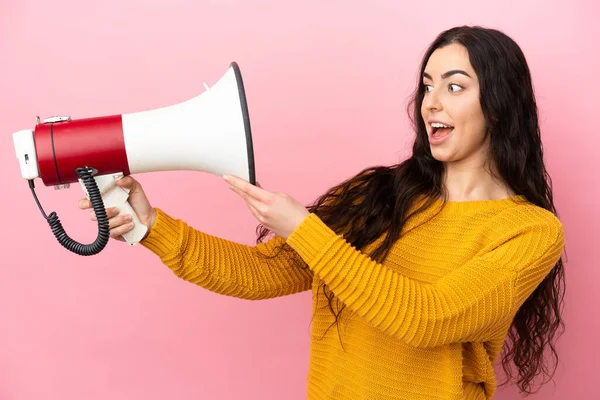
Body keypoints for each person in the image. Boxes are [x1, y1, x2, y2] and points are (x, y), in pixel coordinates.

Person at [79, 25, 566, 400]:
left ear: (499, 107)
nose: (430, 103)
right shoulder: (378, 196)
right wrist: (151, 224)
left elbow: (429, 319)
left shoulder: (530, 231)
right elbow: (259, 274)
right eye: (426, 85)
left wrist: (305, 229)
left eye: (454, 87)